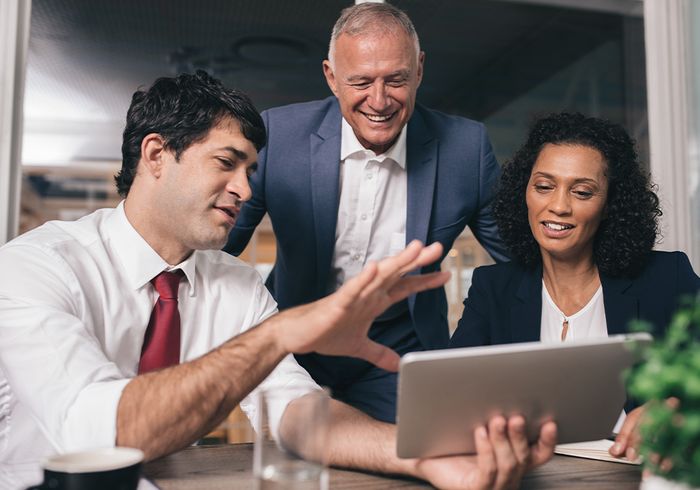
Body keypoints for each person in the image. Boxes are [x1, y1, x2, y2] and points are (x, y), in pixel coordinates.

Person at [0, 71, 556, 490]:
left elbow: (299, 413)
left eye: (251, 171)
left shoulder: (235, 285)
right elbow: (97, 435)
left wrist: (419, 456)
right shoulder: (38, 267)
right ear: (155, 154)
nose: (245, 190)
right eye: (226, 162)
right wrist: (278, 334)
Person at [224, 2, 508, 423]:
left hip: (397, 350)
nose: (379, 101)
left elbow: (519, 264)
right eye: (360, 82)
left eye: (395, 80)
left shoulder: (466, 149)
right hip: (296, 334)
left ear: (419, 70)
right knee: (293, 462)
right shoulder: (278, 135)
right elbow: (220, 251)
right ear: (331, 77)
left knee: (409, 461)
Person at [450, 112, 700, 462]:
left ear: (610, 204)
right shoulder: (494, 288)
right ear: (524, 192)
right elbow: (452, 397)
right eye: (543, 186)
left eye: (582, 192)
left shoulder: (665, 277)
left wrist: (675, 405)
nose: (558, 206)